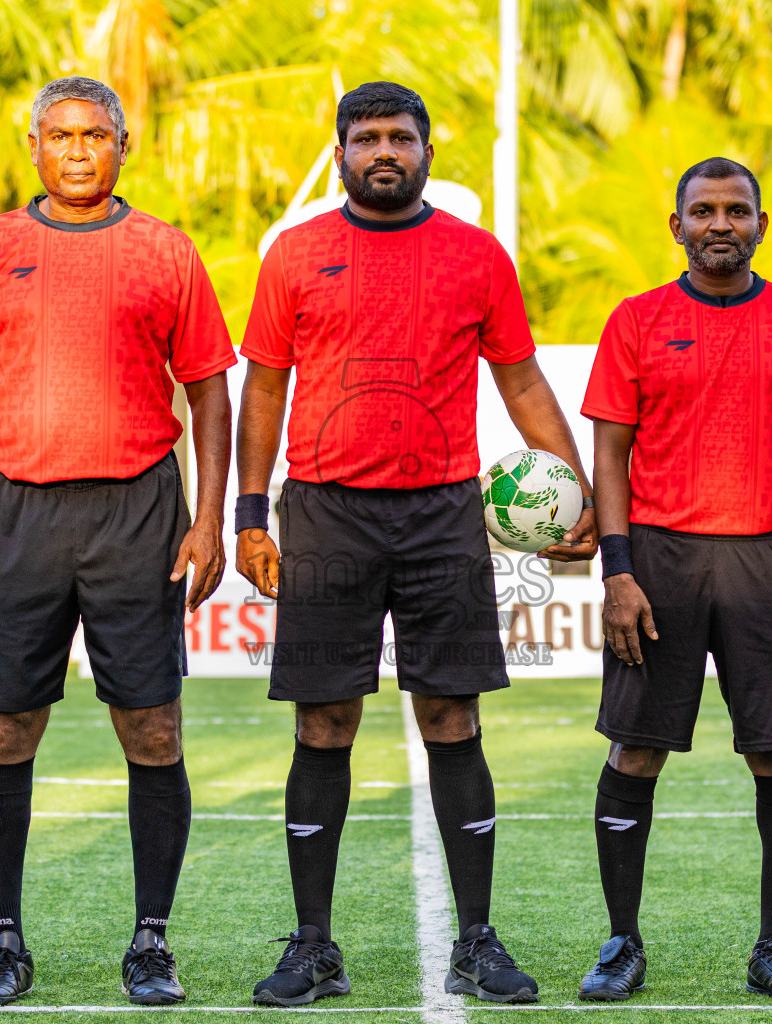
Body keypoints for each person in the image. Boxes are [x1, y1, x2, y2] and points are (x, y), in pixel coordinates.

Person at [235, 80, 596, 1007]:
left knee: (452, 720)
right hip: (325, 512)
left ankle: (476, 941)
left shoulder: (477, 255)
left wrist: (575, 490)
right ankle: (313, 946)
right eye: (366, 138)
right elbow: (264, 387)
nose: (384, 151)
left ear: (429, 151)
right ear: (341, 153)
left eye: (401, 136)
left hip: (443, 513)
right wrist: (249, 513)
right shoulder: (295, 254)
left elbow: (521, 382)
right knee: (324, 724)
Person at [0, 76, 235, 1007]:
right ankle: (3, 943)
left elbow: (209, 390)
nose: (79, 150)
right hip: (16, 512)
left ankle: (152, 943)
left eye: (96, 135)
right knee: (5, 727)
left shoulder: (166, 251)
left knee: (154, 727)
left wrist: (208, 518)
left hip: (139, 511)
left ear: (124, 145)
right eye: (61, 135)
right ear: (36, 147)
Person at [576, 157, 772, 1004]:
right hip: (657, 558)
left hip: (769, 557)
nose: (720, 224)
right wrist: (617, 569)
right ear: (677, 227)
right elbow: (610, 454)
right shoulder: (636, 320)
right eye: (702, 211)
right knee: (636, 748)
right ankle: (621, 943)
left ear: (760, 226)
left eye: (736, 211)